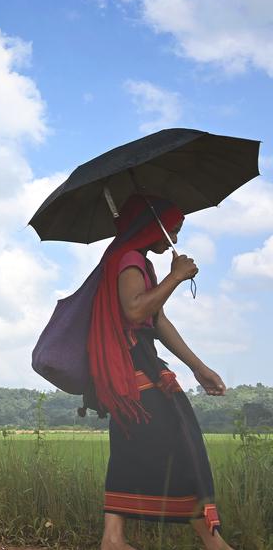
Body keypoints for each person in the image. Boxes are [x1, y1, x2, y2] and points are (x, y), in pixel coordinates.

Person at [85, 196, 231, 550]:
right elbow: (136, 312)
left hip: (135, 366)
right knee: (179, 445)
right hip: (132, 367)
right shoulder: (130, 259)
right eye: (173, 230)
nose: (174, 240)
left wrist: (198, 367)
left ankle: (113, 538)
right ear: (151, 224)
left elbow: (158, 320)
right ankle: (212, 543)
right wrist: (176, 277)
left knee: (130, 446)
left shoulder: (136, 261)